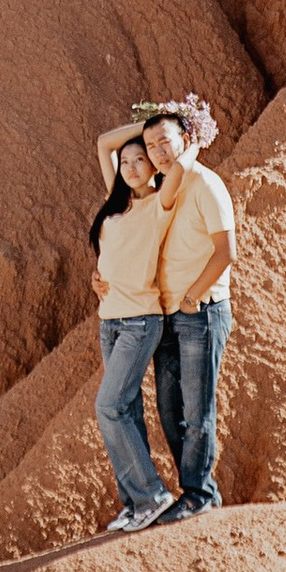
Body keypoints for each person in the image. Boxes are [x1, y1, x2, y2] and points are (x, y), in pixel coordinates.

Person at [139, 93, 234, 522]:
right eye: (151, 146)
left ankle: (199, 493)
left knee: (197, 409)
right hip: (168, 316)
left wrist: (193, 295)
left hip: (201, 311)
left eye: (166, 142)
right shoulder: (164, 188)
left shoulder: (207, 185)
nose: (158, 153)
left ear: (186, 139)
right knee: (169, 408)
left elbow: (225, 251)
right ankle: (193, 491)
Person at [86, 126, 177, 531]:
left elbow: (181, 161)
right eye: (126, 162)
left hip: (141, 320)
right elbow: (105, 143)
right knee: (128, 410)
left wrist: (154, 128)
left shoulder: (160, 202)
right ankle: (134, 503)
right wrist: (98, 277)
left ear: (154, 164)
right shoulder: (116, 203)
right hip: (110, 321)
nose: (132, 167)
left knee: (108, 406)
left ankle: (152, 495)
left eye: (141, 158)